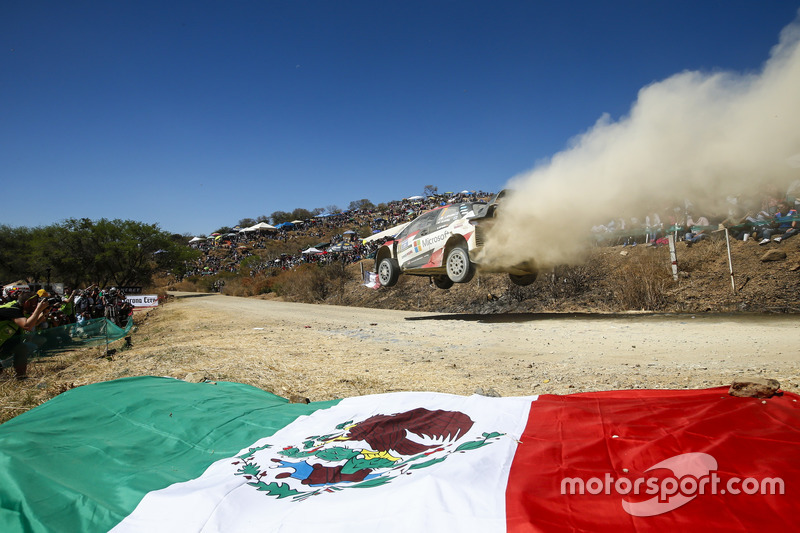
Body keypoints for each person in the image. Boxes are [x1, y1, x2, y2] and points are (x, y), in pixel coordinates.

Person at [0, 289, 51, 380]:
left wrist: (44, 312)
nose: (36, 305)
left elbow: (33, 323)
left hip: (4, 343)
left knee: (21, 348)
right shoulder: (12, 310)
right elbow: (27, 326)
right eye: (35, 303)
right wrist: (38, 309)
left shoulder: (21, 310)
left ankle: (21, 376)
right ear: (27, 303)